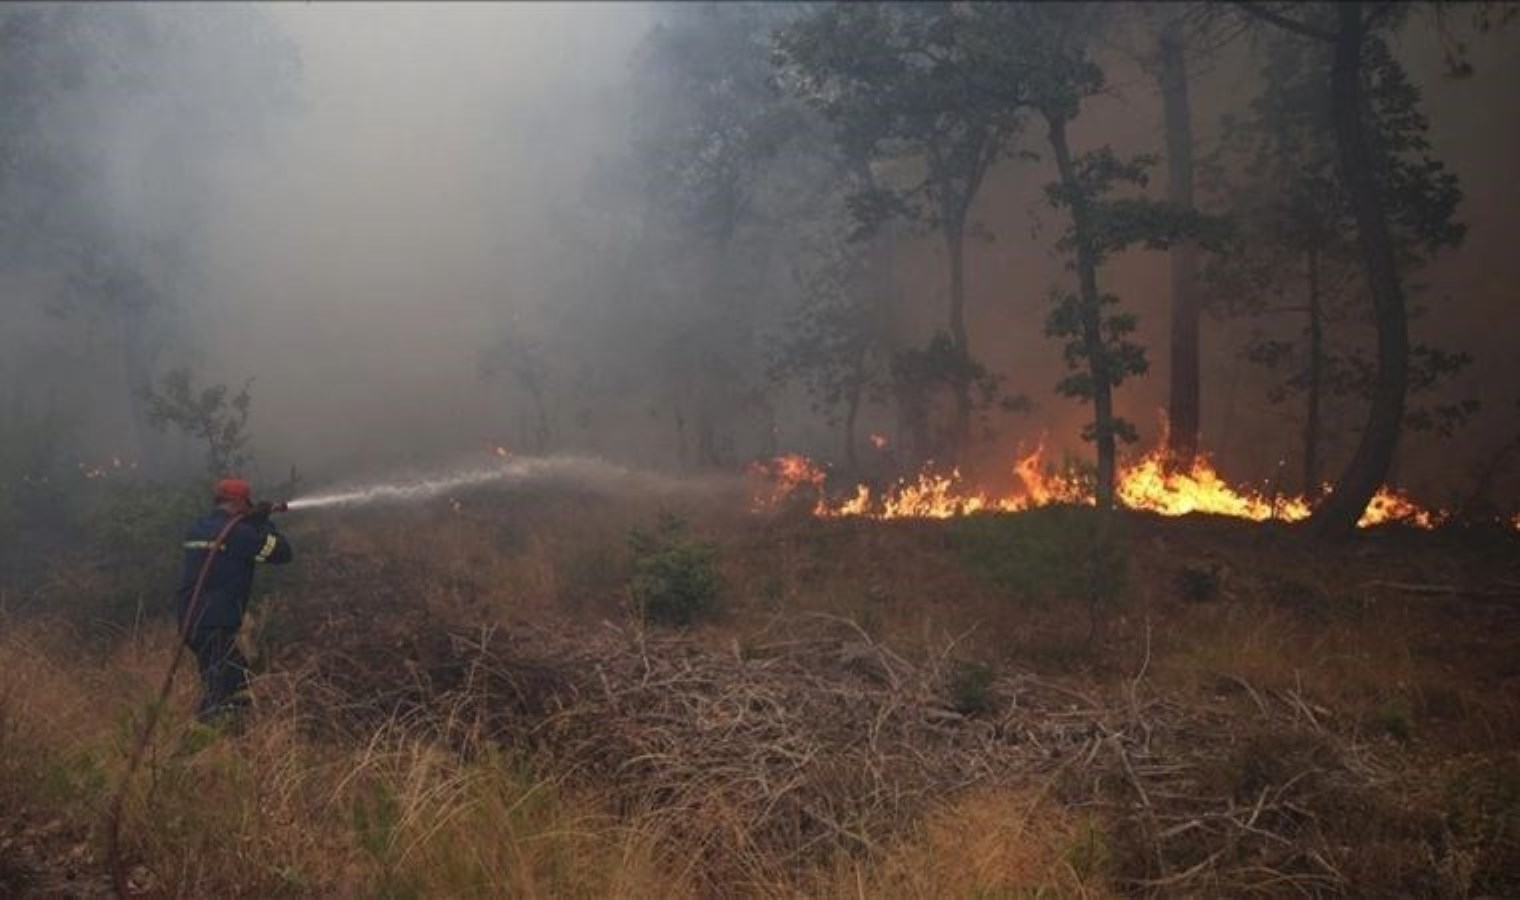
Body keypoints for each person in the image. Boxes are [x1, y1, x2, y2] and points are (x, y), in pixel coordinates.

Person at [175, 478, 293, 723]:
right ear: (239, 502)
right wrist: (264, 523)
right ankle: (204, 742)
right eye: (247, 503)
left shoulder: (199, 527)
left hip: (192, 620)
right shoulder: (239, 533)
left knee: (231, 680)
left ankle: (214, 738)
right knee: (227, 689)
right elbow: (282, 552)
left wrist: (251, 521)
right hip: (215, 621)